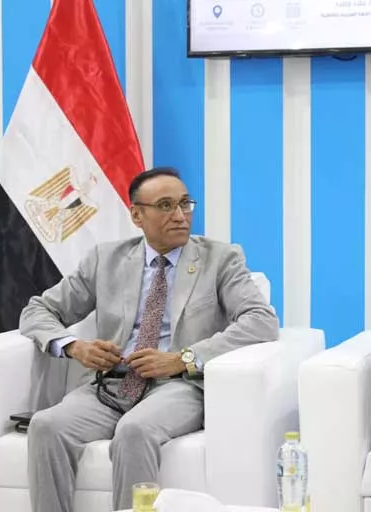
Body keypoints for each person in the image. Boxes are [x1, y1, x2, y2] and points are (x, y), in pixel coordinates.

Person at [19, 167, 280, 512]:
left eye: (185, 204)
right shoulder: (106, 259)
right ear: (137, 215)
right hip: (110, 384)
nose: (180, 216)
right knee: (46, 425)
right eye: (166, 206)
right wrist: (74, 346)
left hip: (179, 385)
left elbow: (261, 320)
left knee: (134, 430)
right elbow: (37, 310)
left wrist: (182, 358)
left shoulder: (220, 259)